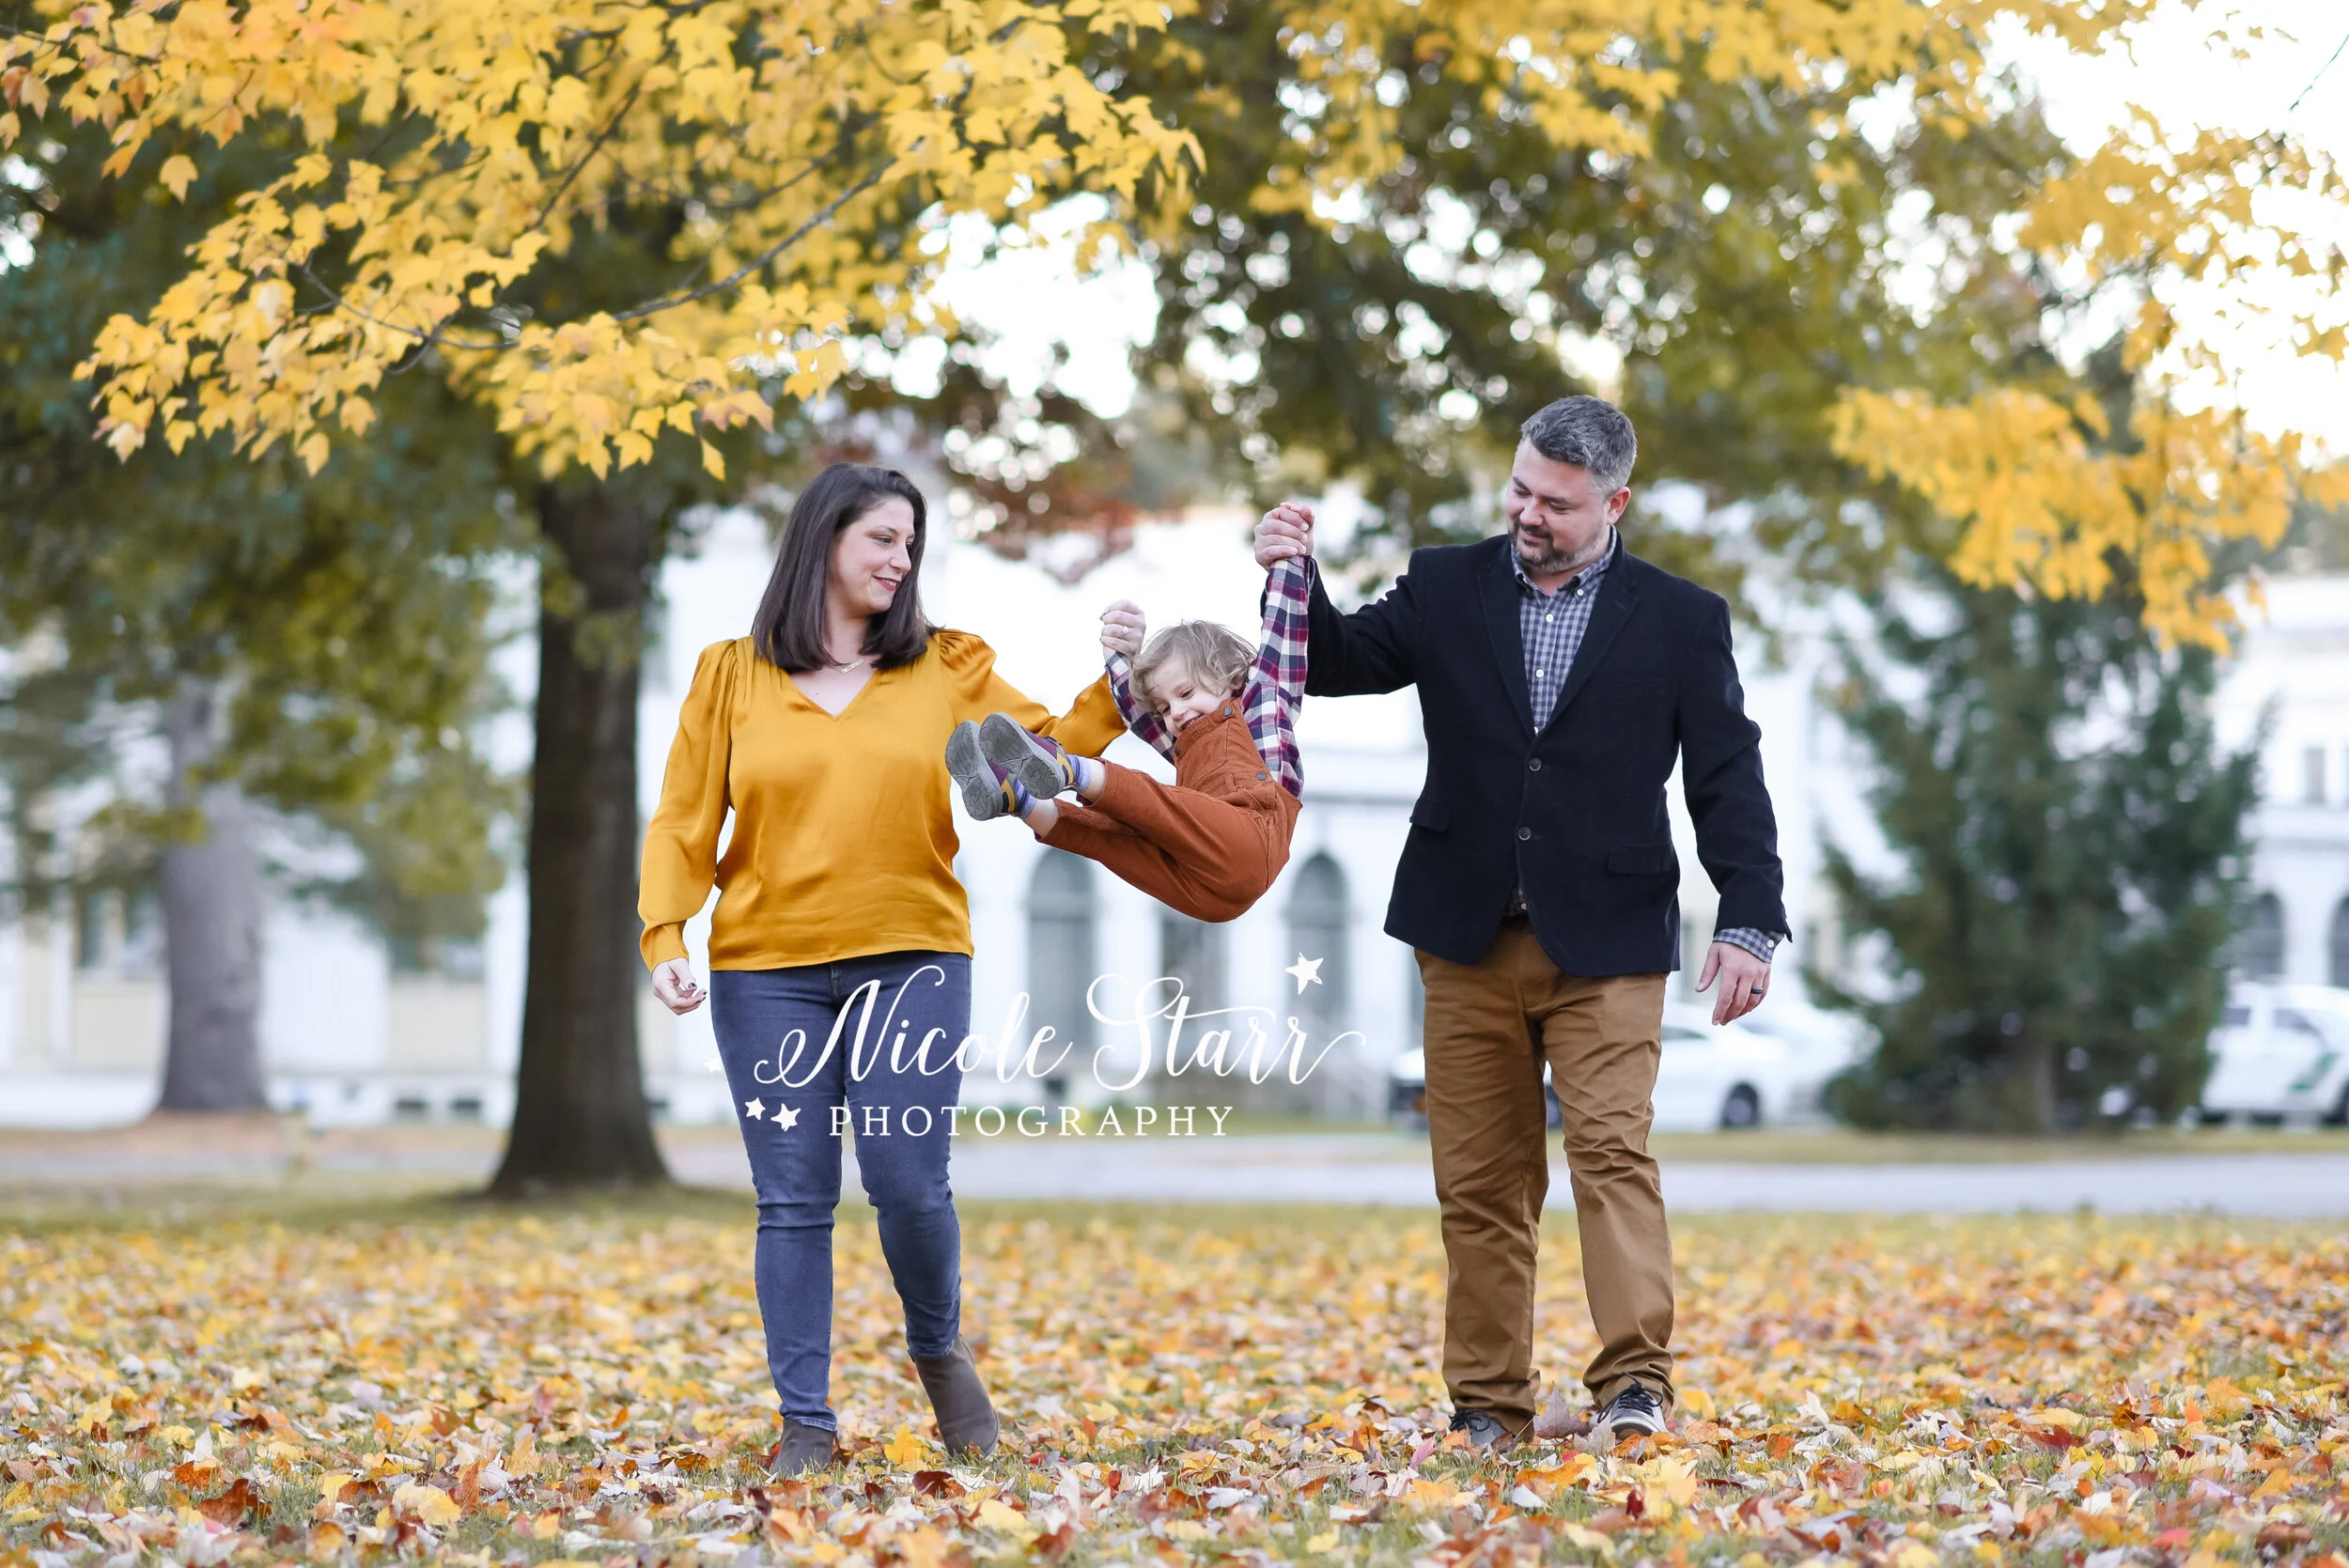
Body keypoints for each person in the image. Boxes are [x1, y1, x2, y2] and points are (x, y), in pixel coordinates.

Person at [1255, 396, 1787, 1452]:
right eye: (1519, 490)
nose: (1528, 514)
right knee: (1482, 1180)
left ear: (1614, 501)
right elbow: (1336, 659)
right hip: (1465, 933)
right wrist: (1287, 574)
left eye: (1555, 502)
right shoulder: (1446, 582)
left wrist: (1750, 919)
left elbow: (1727, 774)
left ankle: (1633, 1382)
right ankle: (1487, 1403)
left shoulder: (1681, 618)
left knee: (1609, 1154)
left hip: (1612, 941)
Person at [638, 462, 1127, 1476]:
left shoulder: (944, 665)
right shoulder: (730, 673)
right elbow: (685, 816)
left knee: (906, 1183)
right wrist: (665, 938)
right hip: (764, 970)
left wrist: (1117, 688)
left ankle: (937, 1349)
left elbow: (1040, 750)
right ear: (822, 540)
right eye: (884, 539)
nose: (902, 560)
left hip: (911, 955)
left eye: (911, 544)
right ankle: (806, 1423)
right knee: (793, 1197)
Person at [941, 553, 1310, 923]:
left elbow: (1284, 634)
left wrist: (1287, 559)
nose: (1176, 714)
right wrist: (1119, 652)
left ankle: (1068, 768)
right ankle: (1019, 800)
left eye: (1185, 693)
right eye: (1165, 708)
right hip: (1203, 890)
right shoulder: (1185, 741)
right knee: (1115, 840)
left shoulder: (1261, 710)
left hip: (1250, 843)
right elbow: (1135, 708)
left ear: (1231, 678)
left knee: (1154, 801)